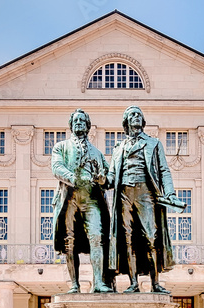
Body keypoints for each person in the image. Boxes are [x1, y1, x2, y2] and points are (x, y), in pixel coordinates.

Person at [107, 105, 185, 294]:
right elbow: (111, 176)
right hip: (124, 194)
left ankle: (155, 283)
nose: (136, 117)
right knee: (128, 239)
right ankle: (133, 283)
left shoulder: (153, 143)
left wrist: (170, 193)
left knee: (151, 236)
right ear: (126, 122)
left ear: (142, 121)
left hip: (145, 193)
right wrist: (99, 177)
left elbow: (164, 170)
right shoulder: (119, 147)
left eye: (138, 115)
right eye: (132, 115)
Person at [51, 109, 113, 293]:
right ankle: (75, 284)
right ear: (71, 125)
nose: (79, 123)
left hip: (91, 199)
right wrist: (72, 177)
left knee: (97, 238)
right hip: (69, 198)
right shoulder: (61, 147)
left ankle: (99, 283)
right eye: (75, 120)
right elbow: (56, 167)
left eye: (82, 121)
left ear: (87, 126)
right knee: (69, 241)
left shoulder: (98, 153)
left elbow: (110, 178)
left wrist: (103, 179)